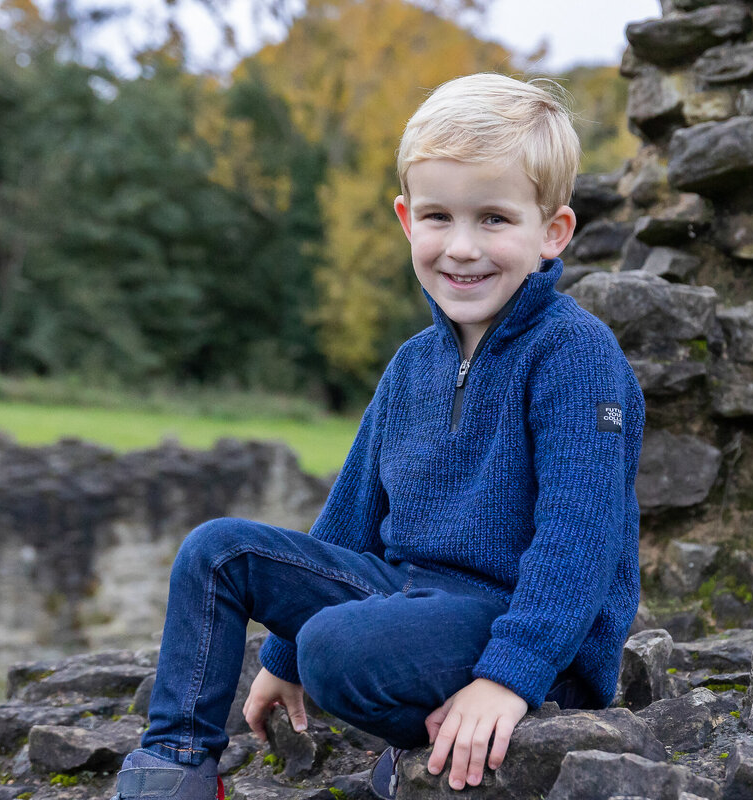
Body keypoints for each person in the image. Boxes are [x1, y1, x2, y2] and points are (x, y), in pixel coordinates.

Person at [111, 72, 644, 800]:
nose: (461, 247)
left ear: (552, 233)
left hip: (519, 626)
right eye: (438, 217)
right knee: (217, 552)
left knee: (340, 649)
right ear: (405, 219)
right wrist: (282, 656)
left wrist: (508, 677)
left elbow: (579, 540)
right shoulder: (410, 366)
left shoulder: (575, 354)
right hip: (404, 596)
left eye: (493, 218)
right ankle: (173, 771)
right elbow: (349, 524)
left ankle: (450, 737)